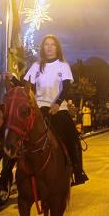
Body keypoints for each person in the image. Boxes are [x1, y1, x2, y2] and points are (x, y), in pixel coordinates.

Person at [23, 35, 88, 186]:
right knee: (19, 135)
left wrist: (57, 103)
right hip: (39, 109)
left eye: (53, 44)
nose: (50, 47)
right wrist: (12, 79)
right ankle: (5, 176)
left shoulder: (63, 65)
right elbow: (26, 85)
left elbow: (66, 87)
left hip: (58, 109)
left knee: (72, 138)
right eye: (46, 44)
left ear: (57, 48)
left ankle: (78, 171)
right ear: (43, 48)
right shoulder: (36, 66)